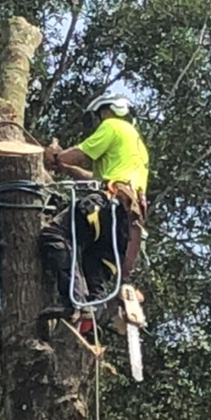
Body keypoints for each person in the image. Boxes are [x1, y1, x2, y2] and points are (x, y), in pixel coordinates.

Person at [39, 93, 149, 325]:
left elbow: (78, 155)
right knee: (93, 260)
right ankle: (96, 312)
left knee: (55, 234)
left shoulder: (113, 125)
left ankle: (73, 302)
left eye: (99, 117)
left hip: (107, 204)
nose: (99, 123)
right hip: (125, 221)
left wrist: (55, 155)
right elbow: (95, 176)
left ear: (109, 110)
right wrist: (65, 166)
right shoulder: (136, 144)